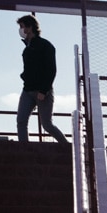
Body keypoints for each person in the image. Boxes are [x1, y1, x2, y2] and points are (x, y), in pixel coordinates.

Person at [16, 14, 69, 146]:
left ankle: (67, 147)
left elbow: (51, 70)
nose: (20, 30)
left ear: (30, 27)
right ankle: (24, 150)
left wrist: (44, 90)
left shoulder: (46, 46)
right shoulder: (26, 49)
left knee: (47, 124)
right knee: (21, 121)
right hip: (27, 90)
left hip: (42, 91)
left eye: (22, 26)